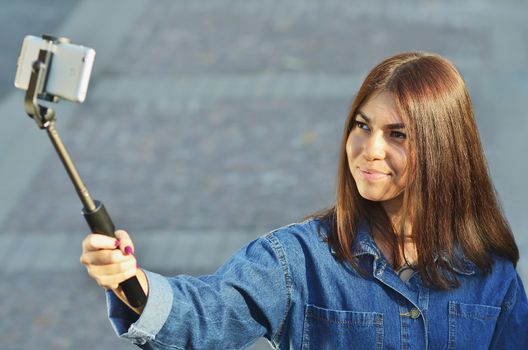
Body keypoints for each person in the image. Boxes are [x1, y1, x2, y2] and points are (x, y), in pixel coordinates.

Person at [80, 52, 528, 349]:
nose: (369, 149)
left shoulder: (491, 277)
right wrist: (130, 282)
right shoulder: (297, 259)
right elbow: (209, 315)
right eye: (361, 125)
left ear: (443, 147)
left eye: (398, 135)